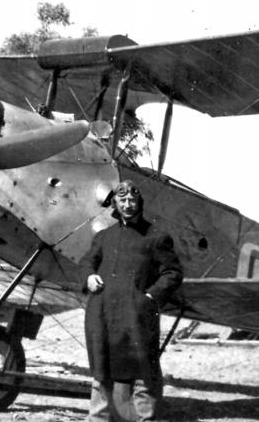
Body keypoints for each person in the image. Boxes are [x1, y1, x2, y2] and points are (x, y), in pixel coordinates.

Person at [79, 179, 183, 421]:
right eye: (122, 200)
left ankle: (144, 418)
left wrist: (149, 298)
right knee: (101, 369)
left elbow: (173, 273)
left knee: (142, 371)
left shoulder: (157, 237)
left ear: (140, 202)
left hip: (137, 315)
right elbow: (86, 262)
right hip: (103, 314)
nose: (127, 204)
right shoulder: (104, 237)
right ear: (115, 203)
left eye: (132, 200)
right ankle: (98, 418)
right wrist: (89, 277)